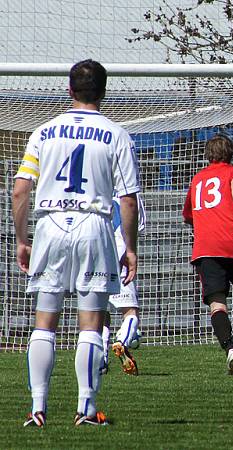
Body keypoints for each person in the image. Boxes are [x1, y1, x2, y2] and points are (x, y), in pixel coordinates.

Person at [13, 59, 141, 427]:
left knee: (45, 321)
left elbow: (21, 189)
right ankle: (85, 409)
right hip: (93, 225)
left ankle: (37, 408)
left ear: (69, 91)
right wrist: (129, 248)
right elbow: (128, 199)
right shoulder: (116, 133)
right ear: (103, 92)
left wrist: (23, 240)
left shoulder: (43, 131)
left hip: (50, 225)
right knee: (91, 323)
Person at [182, 134, 233, 375]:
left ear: (207, 155)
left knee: (217, 305)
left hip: (207, 248)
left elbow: (188, 216)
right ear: (230, 153)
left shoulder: (197, 179)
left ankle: (230, 348)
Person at [101, 194, 147, 376]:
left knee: (99, 314)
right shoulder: (130, 194)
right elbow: (138, 225)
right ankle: (122, 340)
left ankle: (101, 360)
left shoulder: (96, 186)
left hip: (95, 257)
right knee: (130, 313)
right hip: (119, 258)